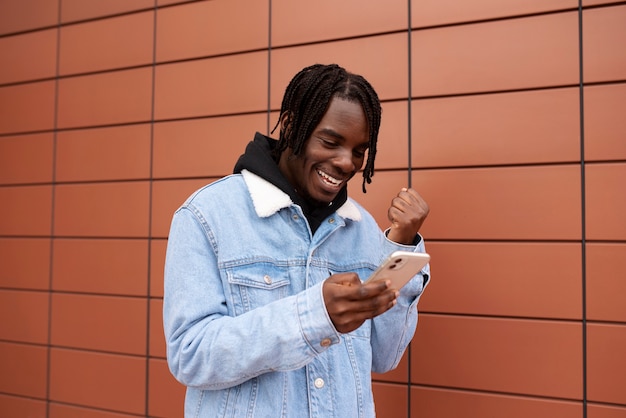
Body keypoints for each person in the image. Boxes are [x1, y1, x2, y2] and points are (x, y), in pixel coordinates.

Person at [163, 63, 430, 417]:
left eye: (358, 151)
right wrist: (313, 317)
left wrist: (401, 245)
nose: (345, 163)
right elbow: (190, 356)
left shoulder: (363, 229)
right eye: (331, 142)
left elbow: (385, 356)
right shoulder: (207, 216)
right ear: (291, 125)